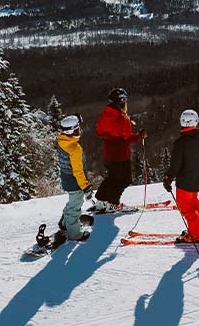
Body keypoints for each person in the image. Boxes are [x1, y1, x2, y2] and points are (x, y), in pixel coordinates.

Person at [164, 109, 199, 244]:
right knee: (194, 204)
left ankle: (197, 235)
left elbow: (175, 165)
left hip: (185, 182)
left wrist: (168, 179)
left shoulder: (180, 143)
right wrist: (198, 168)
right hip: (197, 178)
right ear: (196, 122)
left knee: (187, 208)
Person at [94, 87, 145, 212]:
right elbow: (128, 139)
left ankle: (101, 201)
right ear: (121, 102)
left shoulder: (104, 115)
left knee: (112, 177)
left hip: (108, 153)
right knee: (124, 180)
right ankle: (113, 203)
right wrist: (140, 135)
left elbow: (99, 132)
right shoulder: (122, 119)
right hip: (121, 155)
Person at [56, 114, 93, 243]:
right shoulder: (75, 148)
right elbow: (78, 171)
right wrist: (86, 186)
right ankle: (74, 233)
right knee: (75, 207)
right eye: (76, 130)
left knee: (72, 201)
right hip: (75, 182)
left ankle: (65, 222)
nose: (79, 132)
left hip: (66, 178)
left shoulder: (62, 141)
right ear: (69, 132)